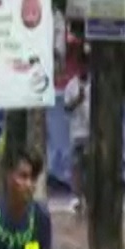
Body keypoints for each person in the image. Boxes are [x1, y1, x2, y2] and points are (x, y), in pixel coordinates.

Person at [63, 46, 90, 212]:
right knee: (77, 167)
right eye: (82, 64)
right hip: (77, 133)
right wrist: (77, 100)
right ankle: (77, 198)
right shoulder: (72, 85)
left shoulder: (96, 82)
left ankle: (91, 198)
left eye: (86, 64)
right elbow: (67, 108)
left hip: (92, 132)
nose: (84, 68)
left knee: (91, 168)